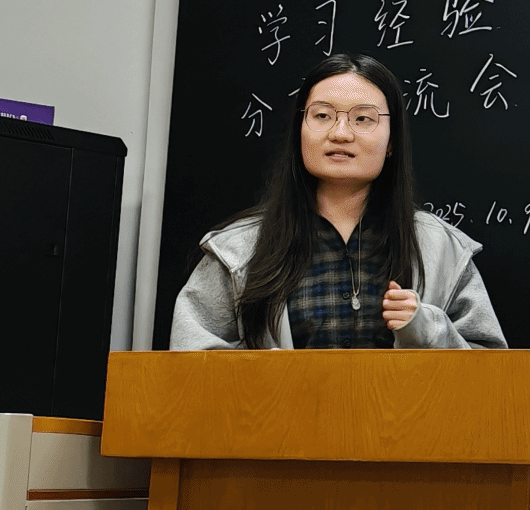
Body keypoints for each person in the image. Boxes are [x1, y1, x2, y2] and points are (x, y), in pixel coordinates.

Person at [170, 51, 505, 350]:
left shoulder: (442, 249)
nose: (340, 133)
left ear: (392, 141)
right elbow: (189, 365)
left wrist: (429, 330)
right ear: (300, 130)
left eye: (363, 119)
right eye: (322, 116)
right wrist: (265, 377)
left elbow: (494, 372)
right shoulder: (238, 250)